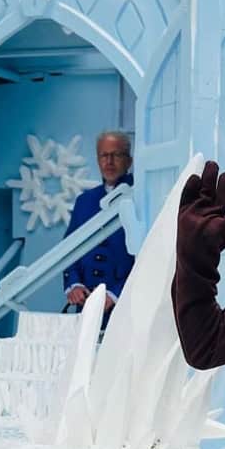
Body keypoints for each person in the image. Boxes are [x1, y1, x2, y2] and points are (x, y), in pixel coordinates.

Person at [61, 131, 135, 316]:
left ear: (129, 161)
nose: (109, 162)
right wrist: (74, 284)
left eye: (116, 155)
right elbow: (69, 250)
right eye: (104, 155)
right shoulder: (84, 201)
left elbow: (147, 256)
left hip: (126, 307)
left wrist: (116, 294)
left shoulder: (141, 197)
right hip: (86, 307)